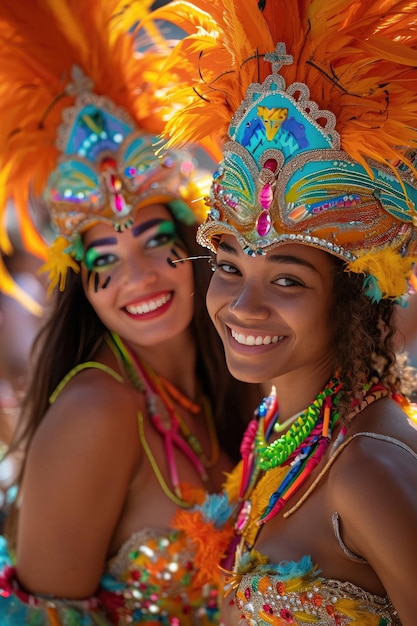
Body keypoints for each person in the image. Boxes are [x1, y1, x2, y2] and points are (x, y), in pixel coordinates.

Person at [144, 0, 417, 624]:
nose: (243, 305)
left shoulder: (367, 471)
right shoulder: (277, 424)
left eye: (287, 280)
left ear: (354, 298)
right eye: (230, 266)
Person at [0, 1, 261, 624]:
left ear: (192, 243)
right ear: (81, 285)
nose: (138, 277)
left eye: (152, 241)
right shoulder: (99, 409)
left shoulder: (236, 366)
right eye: (106, 259)